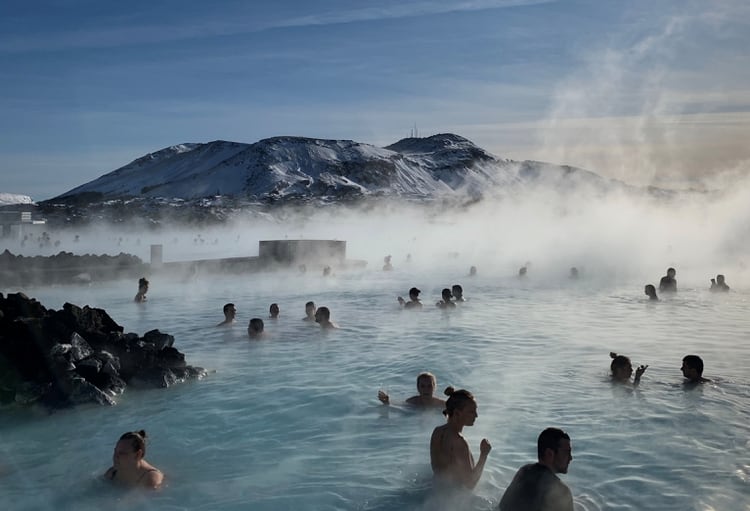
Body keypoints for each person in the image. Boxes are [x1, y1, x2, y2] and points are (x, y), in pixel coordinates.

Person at [498, 428, 574, 511]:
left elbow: (502, 507)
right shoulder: (561, 491)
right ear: (549, 454)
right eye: (567, 452)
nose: (570, 458)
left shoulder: (524, 472)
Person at [430, 387, 490, 490]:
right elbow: (470, 484)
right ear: (457, 413)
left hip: (436, 489)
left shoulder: (437, 432)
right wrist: (484, 454)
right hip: (453, 496)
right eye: (471, 411)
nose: (476, 415)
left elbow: (438, 470)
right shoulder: (459, 442)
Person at [378, 372, 445, 408]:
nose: (426, 389)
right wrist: (387, 402)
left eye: (429, 386)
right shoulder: (413, 402)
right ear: (418, 388)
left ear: (435, 387)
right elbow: (398, 405)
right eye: (422, 386)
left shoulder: (441, 404)